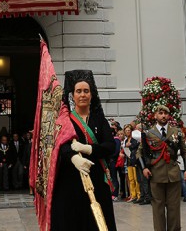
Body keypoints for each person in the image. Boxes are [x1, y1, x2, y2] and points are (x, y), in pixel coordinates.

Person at [50, 69, 117, 231]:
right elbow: (60, 145)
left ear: (91, 95)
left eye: (86, 91)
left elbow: (110, 146)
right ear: (72, 95)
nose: (82, 95)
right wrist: (74, 157)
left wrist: (87, 149)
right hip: (71, 181)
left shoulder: (99, 120)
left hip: (96, 179)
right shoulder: (66, 121)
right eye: (78, 91)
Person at [141, 105, 186, 231]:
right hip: (156, 173)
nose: (163, 116)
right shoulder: (148, 133)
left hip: (173, 173)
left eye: (166, 113)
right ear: (155, 116)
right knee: (158, 208)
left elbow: (185, 152)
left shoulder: (176, 131)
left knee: (174, 207)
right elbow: (139, 152)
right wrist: (144, 168)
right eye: (161, 113)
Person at [123, 124, 141, 203]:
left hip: (134, 160)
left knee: (136, 179)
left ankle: (138, 195)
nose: (128, 132)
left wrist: (130, 146)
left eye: (129, 130)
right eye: (126, 131)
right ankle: (133, 195)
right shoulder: (126, 140)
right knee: (131, 179)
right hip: (129, 161)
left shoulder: (134, 139)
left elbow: (137, 146)